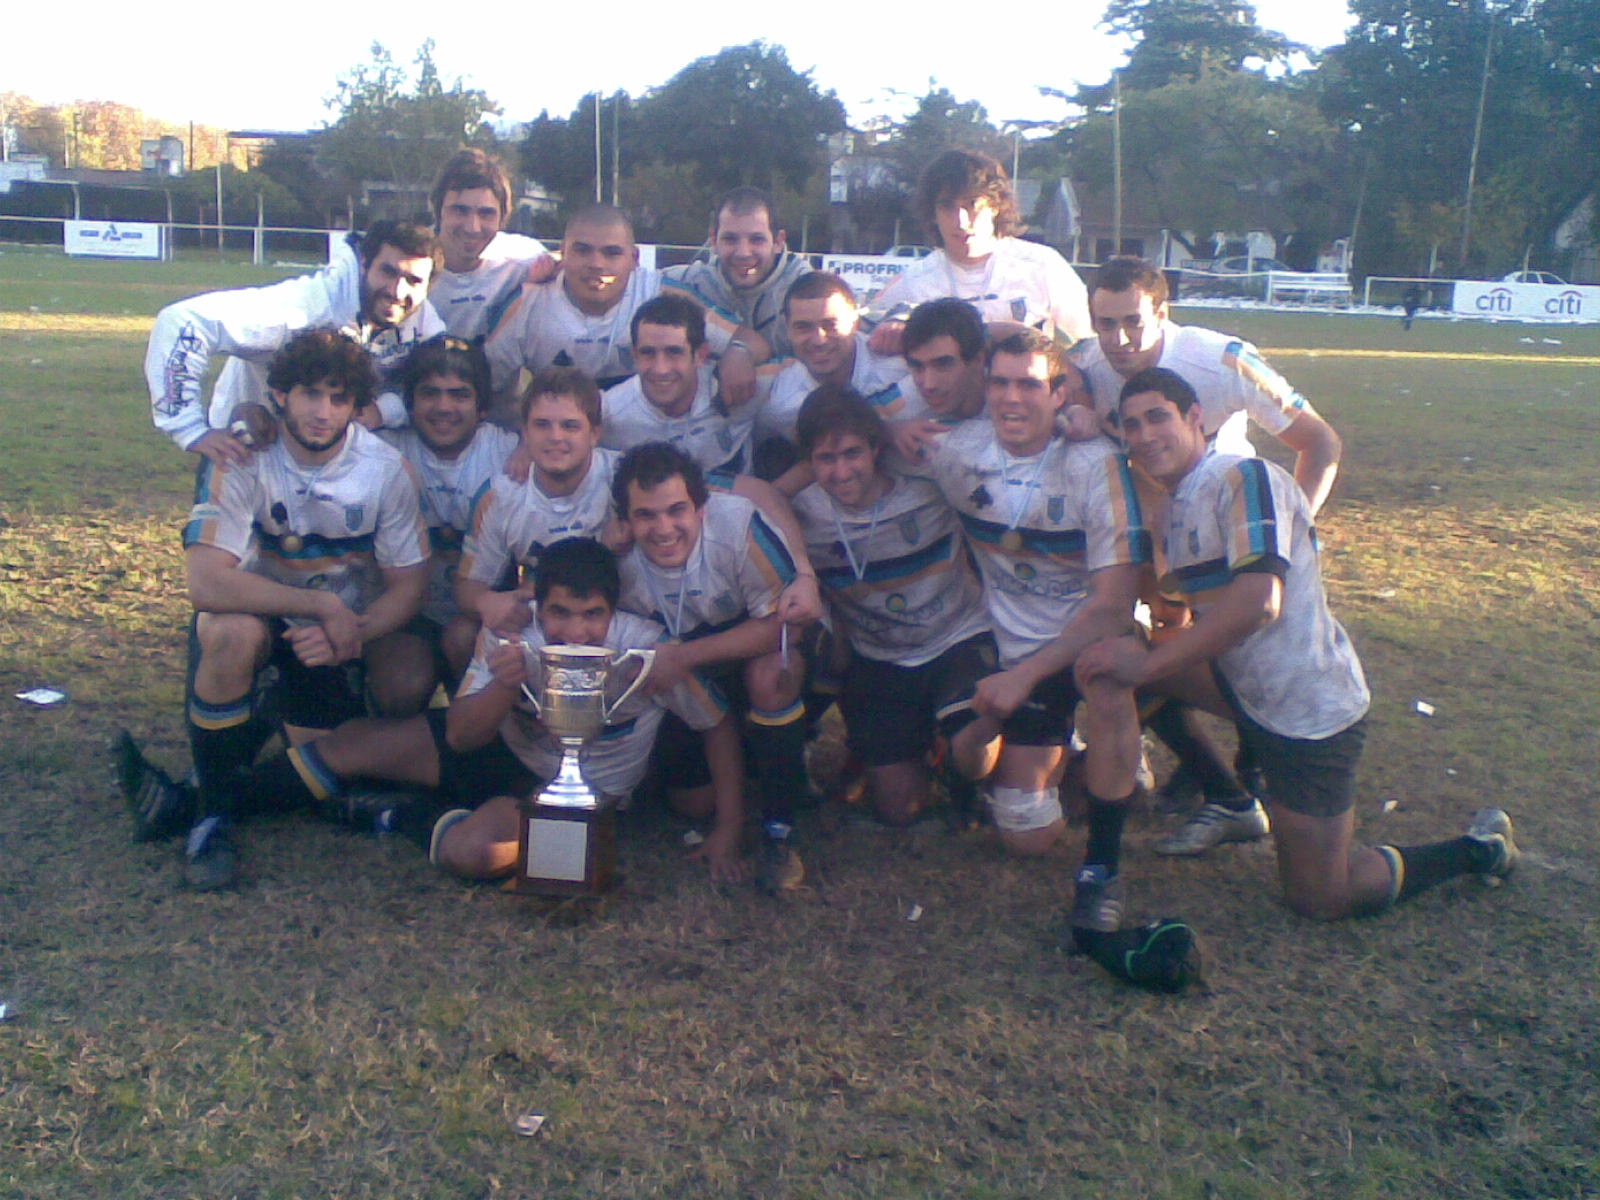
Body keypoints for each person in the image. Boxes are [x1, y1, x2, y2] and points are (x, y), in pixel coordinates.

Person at [1077, 367, 1518, 923]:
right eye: (1131, 426)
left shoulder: (1246, 477)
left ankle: (1479, 850)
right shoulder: (1175, 504)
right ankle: (1107, 867)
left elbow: (1260, 602)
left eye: (1157, 417)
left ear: (1195, 419)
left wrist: (1147, 667)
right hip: (1242, 684)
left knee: (1320, 897)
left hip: (1308, 709)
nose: (1143, 436)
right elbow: (1184, 612)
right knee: (1110, 665)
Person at [926, 329, 1200, 992]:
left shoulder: (1096, 463)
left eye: (1030, 384)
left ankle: (1099, 869)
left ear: (1059, 392)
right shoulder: (953, 454)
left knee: (1106, 669)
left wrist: (1025, 676)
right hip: (1011, 643)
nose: (1012, 397)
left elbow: (1109, 608)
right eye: (999, 382)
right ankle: (1096, 763)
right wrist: (895, 429)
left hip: (1081, 644)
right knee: (1024, 837)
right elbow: (861, 463)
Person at [116, 329, 430, 890]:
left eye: (339, 399)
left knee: (324, 785)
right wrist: (319, 604)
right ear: (280, 393)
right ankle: (212, 817)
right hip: (263, 618)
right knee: (230, 632)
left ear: (357, 406)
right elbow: (207, 582)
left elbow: (409, 587)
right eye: (311, 393)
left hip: (330, 641)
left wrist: (352, 630)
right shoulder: (240, 457)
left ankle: (191, 795)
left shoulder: (385, 470)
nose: (323, 412)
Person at [439, 537, 751, 884]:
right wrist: (504, 684)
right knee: (465, 846)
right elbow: (459, 736)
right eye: (559, 612)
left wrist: (729, 829)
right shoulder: (509, 636)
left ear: (613, 610)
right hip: (517, 766)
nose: (575, 633)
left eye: (592, 614)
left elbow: (716, 722)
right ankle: (408, 813)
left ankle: (427, 813)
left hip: (606, 790)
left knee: (697, 802)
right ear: (538, 606)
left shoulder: (645, 646)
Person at [611, 443, 813, 892]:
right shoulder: (614, 558)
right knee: (693, 802)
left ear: (701, 507)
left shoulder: (738, 524)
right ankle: (759, 765)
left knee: (772, 677)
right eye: (646, 515)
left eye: (676, 510)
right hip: (684, 683)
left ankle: (778, 828)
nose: (664, 528)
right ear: (624, 521)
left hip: (743, 653)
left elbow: (788, 628)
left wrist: (685, 656)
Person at [790, 385, 994, 827]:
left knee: (975, 754)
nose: (842, 471)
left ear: (876, 449)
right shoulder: (802, 512)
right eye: (826, 459)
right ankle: (925, 747)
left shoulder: (928, 483)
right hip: (880, 657)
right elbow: (752, 497)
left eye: (852, 453)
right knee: (899, 811)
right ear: (809, 462)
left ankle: (961, 771)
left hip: (957, 636)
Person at [146, 220, 445, 462]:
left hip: (334, 461)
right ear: (365, 263)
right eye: (388, 272)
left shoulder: (424, 323)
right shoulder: (304, 309)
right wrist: (189, 429)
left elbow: (436, 389)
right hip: (250, 450)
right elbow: (184, 322)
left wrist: (384, 410)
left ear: (430, 285)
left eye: (414, 281)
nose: (397, 290)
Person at [1075, 256, 1343, 515]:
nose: (1119, 339)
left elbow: (1320, 441)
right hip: (1134, 520)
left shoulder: (1224, 360)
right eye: (1106, 324)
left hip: (1223, 512)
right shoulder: (1082, 365)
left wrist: (1296, 526)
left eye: (1134, 322)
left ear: (1161, 314)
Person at [486, 205, 765, 424]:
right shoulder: (528, 305)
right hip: (564, 447)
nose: (596, 264)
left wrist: (739, 352)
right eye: (583, 250)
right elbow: (485, 388)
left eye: (611, 253)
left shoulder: (661, 295)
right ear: (563, 252)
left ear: (634, 259)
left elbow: (754, 342)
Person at [381, 335, 518, 680]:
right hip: (408, 612)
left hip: (477, 612)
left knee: (463, 638)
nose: (444, 407)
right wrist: (244, 419)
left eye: (459, 395)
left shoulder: (509, 454)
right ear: (409, 403)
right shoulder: (383, 449)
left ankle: (479, 727)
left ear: (482, 407)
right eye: (430, 393)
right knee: (400, 684)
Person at [868, 149, 1091, 353]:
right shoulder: (912, 284)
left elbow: (1084, 345)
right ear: (932, 213)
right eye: (947, 206)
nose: (961, 221)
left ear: (995, 205)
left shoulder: (1044, 266)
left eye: (972, 204)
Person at [758, 272, 912, 492]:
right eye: (803, 327)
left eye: (830, 325)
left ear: (855, 321)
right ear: (787, 328)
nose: (819, 339)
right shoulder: (778, 401)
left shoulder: (901, 367)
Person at [600, 293, 758, 479]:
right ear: (634, 355)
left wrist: (775, 492)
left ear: (701, 355)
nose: (661, 369)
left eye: (674, 352)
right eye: (648, 353)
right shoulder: (609, 414)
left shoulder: (740, 388)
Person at [661, 186, 813, 360]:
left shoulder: (806, 290)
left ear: (778, 241)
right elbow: (636, 284)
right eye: (730, 239)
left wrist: (745, 361)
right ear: (714, 240)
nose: (743, 253)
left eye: (756, 239)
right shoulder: (688, 282)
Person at [426, 148, 554, 340]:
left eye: (486, 214)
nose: (472, 228)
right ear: (438, 211)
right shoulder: (410, 268)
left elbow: (575, 263)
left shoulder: (521, 259)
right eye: (460, 211)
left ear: (502, 219)